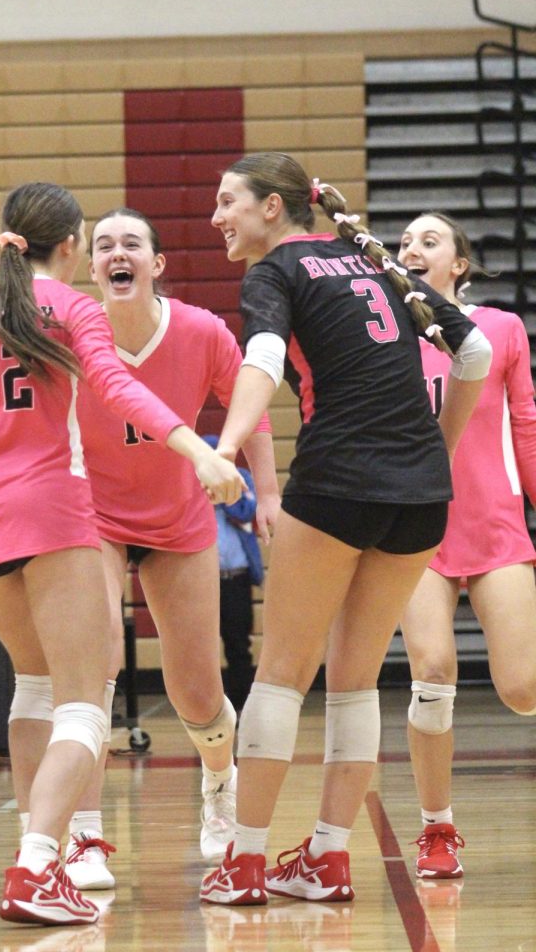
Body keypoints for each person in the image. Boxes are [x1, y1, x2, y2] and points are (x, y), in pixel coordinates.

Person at [0, 183, 244, 927]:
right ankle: (39, 863)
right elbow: (121, 390)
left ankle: (55, 853)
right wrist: (196, 448)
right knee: (84, 697)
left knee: (32, 690)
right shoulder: (72, 310)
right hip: (51, 512)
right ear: (71, 248)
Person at [199, 152, 492, 908]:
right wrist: (440, 448)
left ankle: (246, 862)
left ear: (273, 209)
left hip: (338, 480)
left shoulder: (275, 273)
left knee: (283, 673)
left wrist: (225, 447)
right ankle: (327, 858)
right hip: (422, 492)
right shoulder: (373, 262)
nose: (217, 217)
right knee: (355, 679)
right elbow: (474, 350)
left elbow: (262, 356)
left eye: (229, 201)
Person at [397, 212, 536, 879]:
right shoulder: (386, 336)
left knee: (522, 689)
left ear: (458, 264)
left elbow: (526, 427)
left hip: (495, 526)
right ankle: (437, 829)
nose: (412, 249)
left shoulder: (501, 330)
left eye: (429, 241)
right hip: (418, 532)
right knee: (432, 673)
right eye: (403, 243)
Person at [202, 433, 264, 714]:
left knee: (239, 645)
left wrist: (224, 489)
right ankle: (207, 709)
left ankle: (242, 706)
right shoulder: (190, 484)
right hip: (202, 581)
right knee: (200, 648)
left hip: (236, 579)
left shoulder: (241, 478)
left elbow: (246, 510)